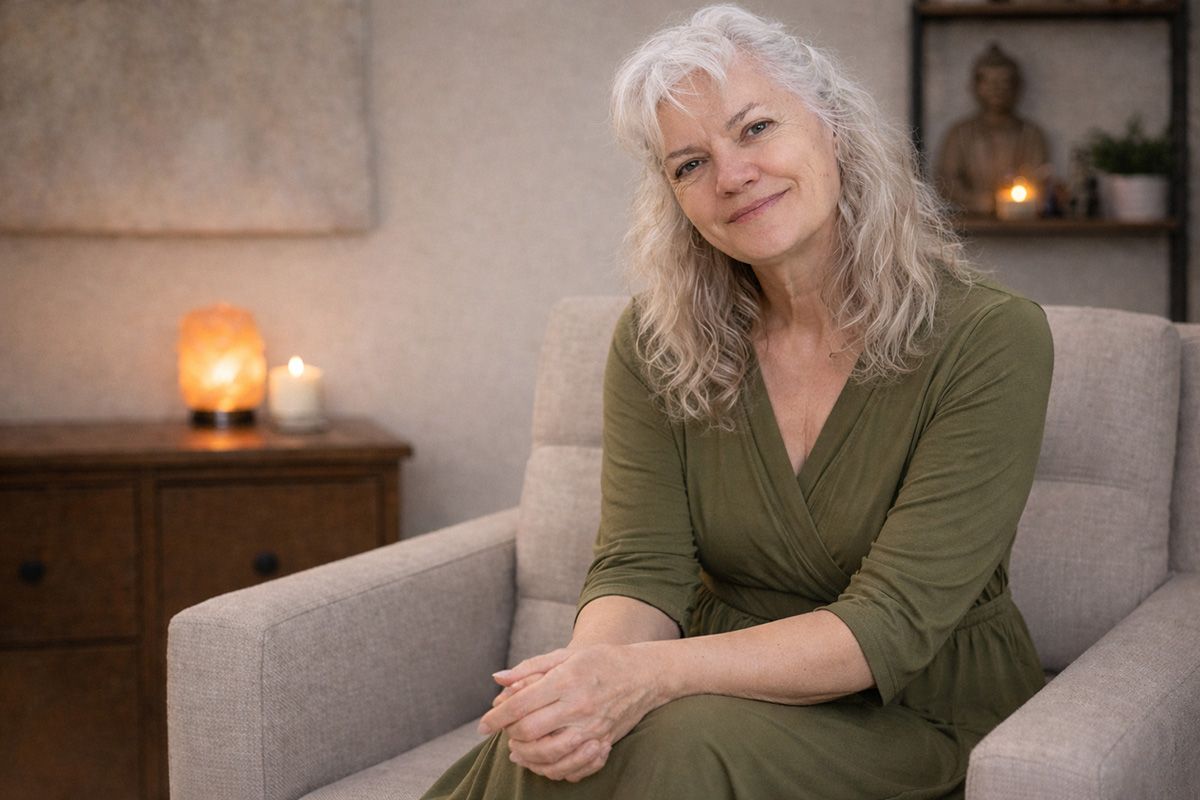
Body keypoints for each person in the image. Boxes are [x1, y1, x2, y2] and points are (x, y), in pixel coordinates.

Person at [423, 5, 1051, 799]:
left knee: (664, 734)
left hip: (916, 711)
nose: (731, 175)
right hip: (711, 689)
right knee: (567, 737)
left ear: (835, 128)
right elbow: (638, 567)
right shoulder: (657, 343)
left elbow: (888, 625)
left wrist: (644, 678)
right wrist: (589, 685)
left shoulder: (994, 338)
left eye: (755, 128)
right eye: (689, 164)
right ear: (674, 198)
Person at [935, 43, 1049, 217]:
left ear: (1017, 86)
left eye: (1004, 82)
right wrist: (978, 201)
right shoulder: (959, 134)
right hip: (974, 226)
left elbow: (1040, 180)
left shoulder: (1031, 134)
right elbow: (946, 182)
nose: (997, 89)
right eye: (989, 82)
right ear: (975, 86)